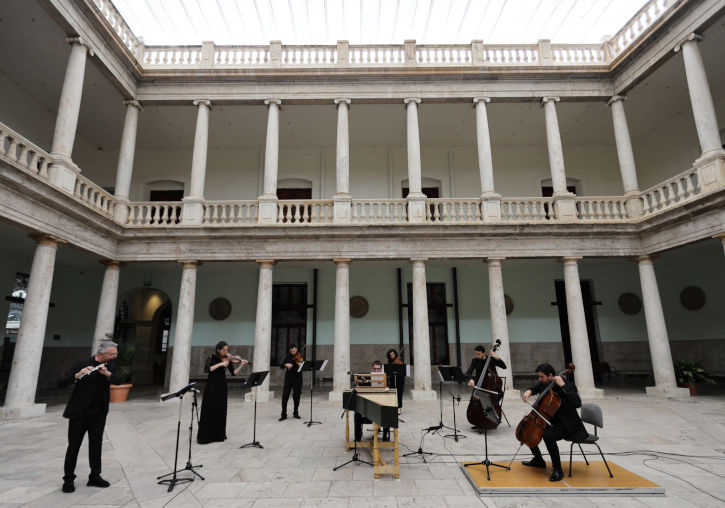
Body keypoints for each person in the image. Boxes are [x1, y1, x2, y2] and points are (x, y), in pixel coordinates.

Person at [57, 340, 120, 493]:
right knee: (74, 446)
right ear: (102, 353)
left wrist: (107, 374)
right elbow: (61, 382)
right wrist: (78, 375)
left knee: (96, 445)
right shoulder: (82, 362)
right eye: (112, 354)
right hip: (79, 412)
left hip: (99, 413)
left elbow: (119, 381)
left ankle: (95, 476)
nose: (115, 357)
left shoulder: (110, 365)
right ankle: (68, 479)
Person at [520, 363, 588, 482]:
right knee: (528, 431)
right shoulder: (545, 384)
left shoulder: (568, 385)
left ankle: (558, 469)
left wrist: (562, 385)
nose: (539, 380)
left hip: (567, 424)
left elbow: (577, 403)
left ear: (550, 375)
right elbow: (536, 387)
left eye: (541, 377)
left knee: (548, 436)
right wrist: (528, 391)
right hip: (552, 421)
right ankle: (538, 460)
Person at [197, 341, 248, 444]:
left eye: (227, 350)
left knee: (220, 409)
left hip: (222, 386)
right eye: (224, 350)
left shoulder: (228, 359)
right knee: (209, 409)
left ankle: (219, 435)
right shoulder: (211, 357)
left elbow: (233, 373)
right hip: (211, 386)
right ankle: (206, 436)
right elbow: (208, 369)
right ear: (218, 350)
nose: (226, 352)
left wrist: (241, 365)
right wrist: (221, 363)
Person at [354, 360, 391, 442]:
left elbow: (389, 392)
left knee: (388, 410)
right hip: (369, 404)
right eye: (375, 369)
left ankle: (385, 436)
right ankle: (357, 438)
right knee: (357, 413)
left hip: (381, 404)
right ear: (372, 369)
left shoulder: (386, 378)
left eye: (378, 369)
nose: (376, 371)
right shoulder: (367, 378)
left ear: (381, 369)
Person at [279, 343, 304, 421]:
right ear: (289, 351)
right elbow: (281, 365)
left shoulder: (300, 356)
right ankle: (283, 414)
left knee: (296, 396)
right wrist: (286, 364)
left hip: (298, 379)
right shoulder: (288, 356)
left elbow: (304, 366)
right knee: (285, 396)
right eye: (292, 351)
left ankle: (295, 413)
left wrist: (301, 365)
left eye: (294, 351)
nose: (293, 352)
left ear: (296, 349)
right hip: (288, 379)